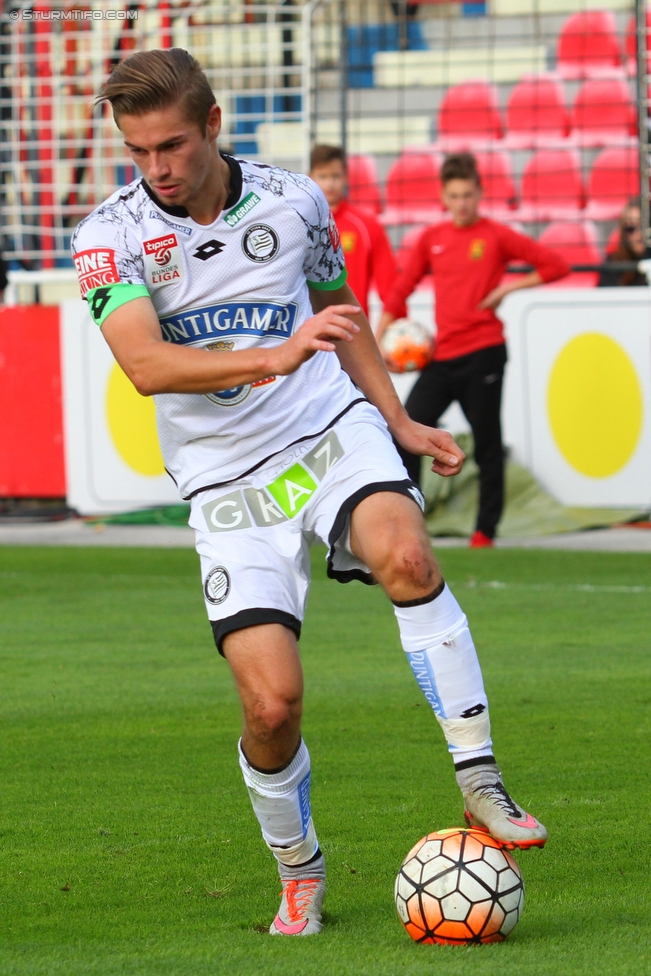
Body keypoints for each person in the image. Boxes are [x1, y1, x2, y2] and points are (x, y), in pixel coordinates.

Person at [71, 50, 547, 938]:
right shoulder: (111, 234)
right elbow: (144, 365)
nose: (157, 169)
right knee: (271, 707)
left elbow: (340, 308)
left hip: (326, 430)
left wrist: (398, 421)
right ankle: (300, 869)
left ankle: (479, 775)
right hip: (222, 482)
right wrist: (272, 353)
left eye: (171, 145)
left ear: (213, 124)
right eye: (139, 153)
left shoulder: (295, 202)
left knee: (405, 555)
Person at [377, 153, 569, 548]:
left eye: (468, 194)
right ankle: (410, 519)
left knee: (487, 444)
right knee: (407, 430)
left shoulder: (496, 236)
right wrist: (380, 337)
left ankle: (485, 532)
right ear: (443, 198)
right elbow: (400, 290)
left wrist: (506, 288)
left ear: (480, 193)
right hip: (442, 357)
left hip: (484, 352)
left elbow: (555, 264)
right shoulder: (433, 240)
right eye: (454, 195)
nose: (462, 202)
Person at [309, 144, 406, 320]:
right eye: (322, 176)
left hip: (353, 333)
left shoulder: (367, 226)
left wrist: (395, 330)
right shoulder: (300, 225)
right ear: (310, 177)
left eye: (335, 176)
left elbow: (390, 288)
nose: (330, 183)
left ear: (346, 177)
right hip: (308, 332)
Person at [599, 197, 651, 287]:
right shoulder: (613, 266)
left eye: (643, 227)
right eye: (631, 228)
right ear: (624, 232)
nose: (638, 234)